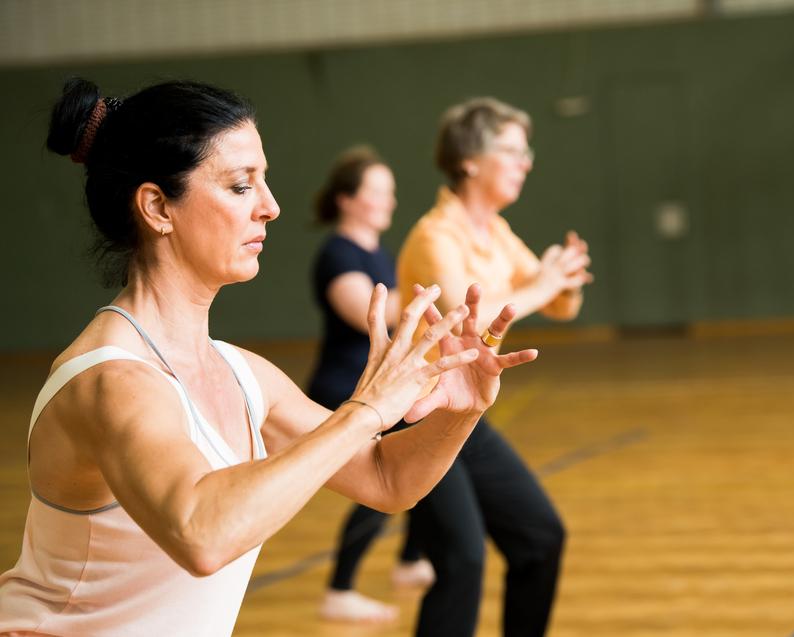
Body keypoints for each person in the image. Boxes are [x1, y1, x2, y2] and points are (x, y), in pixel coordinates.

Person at [0, 78, 537, 637]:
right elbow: (200, 533)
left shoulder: (243, 374)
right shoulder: (111, 380)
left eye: (265, 182)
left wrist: (462, 410)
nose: (271, 207)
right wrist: (366, 410)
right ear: (158, 206)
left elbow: (386, 478)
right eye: (240, 186)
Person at [397, 97, 593, 637]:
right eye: (510, 150)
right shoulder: (434, 235)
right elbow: (474, 324)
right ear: (469, 162)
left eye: (525, 151)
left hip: (462, 413)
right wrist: (541, 285)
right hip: (415, 410)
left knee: (540, 537)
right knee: (462, 561)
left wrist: (563, 278)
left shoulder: (497, 232)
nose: (525, 161)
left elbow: (557, 304)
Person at [306, 146, 434, 623]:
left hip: (382, 389)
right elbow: (373, 315)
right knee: (382, 480)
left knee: (426, 464)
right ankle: (339, 590)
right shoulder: (337, 255)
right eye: (377, 191)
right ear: (347, 200)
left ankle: (410, 560)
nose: (388, 201)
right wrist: (438, 286)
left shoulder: (378, 253)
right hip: (346, 389)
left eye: (390, 192)